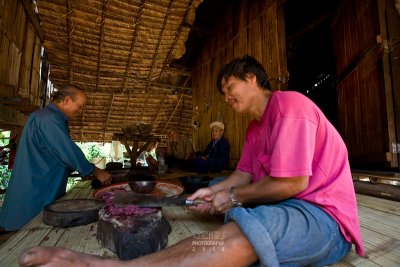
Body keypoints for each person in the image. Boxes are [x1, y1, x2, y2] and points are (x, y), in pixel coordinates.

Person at [18, 56, 364, 267]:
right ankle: (233, 233)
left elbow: (291, 184)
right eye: (223, 91)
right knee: (215, 190)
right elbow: (242, 174)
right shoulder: (257, 127)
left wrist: (230, 199)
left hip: (323, 219)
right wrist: (217, 194)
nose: (227, 96)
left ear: (252, 79)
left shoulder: (290, 106)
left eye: (230, 86)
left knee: (246, 230)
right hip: (289, 205)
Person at [0, 85, 112, 232]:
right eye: (79, 106)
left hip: (41, 182)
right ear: (66, 100)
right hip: (36, 187)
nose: (80, 111)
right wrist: (95, 171)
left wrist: (84, 171)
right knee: (26, 234)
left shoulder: (48, 118)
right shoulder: (48, 119)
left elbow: (55, 153)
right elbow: (67, 151)